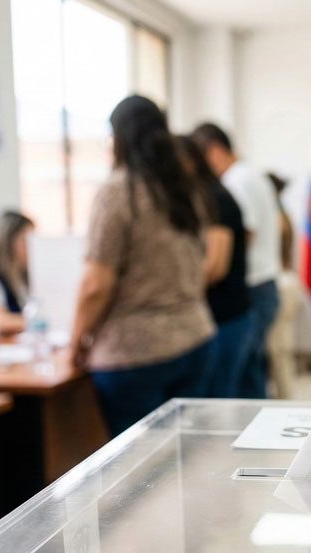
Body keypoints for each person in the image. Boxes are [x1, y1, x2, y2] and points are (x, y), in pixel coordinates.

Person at [70, 96, 216, 436]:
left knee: (139, 472)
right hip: (194, 336)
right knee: (185, 456)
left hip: (134, 352)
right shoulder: (184, 188)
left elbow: (96, 284)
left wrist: (76, 341)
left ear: (118, 137)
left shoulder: (118, 192)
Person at [190, 122, 280, 399]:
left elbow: (245, 234)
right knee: (250, 377)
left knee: (234, 383)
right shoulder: (252, 174)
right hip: (263, 284)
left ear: (215, 151)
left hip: (251, 287)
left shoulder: (236, 181)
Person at [176, 134, 253, 398]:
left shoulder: (213, 198)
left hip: (226, 314)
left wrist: (175, 294)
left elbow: (215, 267)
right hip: (228, 311)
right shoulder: (208, 195)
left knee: (221, 398)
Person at [266, 172, 300, 399]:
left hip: (282, 284)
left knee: (280, 351)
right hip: (287, 282)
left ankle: (286, 400)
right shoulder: (281, 213)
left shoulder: (277, 217)